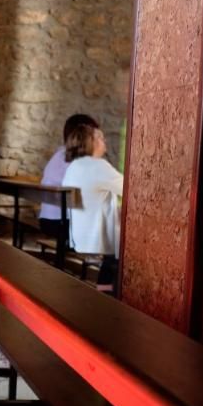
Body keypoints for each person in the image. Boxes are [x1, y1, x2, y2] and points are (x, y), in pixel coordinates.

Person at [61, 123, 124, 291]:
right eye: (101, 138)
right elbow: (130, 189)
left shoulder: (74, 166)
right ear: (91, 142)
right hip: (96, 239)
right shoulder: (98, 166)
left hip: (79, 235)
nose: (105, 141)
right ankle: (108, 293)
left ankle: (105, 288)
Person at [38, 113, 100, 237]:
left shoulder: (60, 154)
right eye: (95, 136)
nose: (97, 141)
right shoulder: (75, 158)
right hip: (61, 222)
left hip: (48, 219)